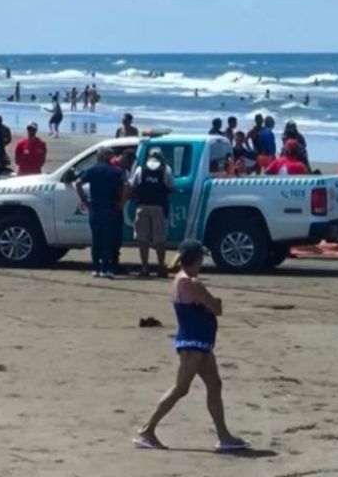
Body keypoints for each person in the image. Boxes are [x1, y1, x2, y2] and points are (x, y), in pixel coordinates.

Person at [134, 240, 247, 452]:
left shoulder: (180, 279)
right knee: (180, 389)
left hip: (200, 342)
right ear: (195, 259)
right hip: (193, 343)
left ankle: (224, 436)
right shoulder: (192, 283)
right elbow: (216, 308)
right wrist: (217, 304)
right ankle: (146, 431)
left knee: (215, 385)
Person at [75, 147, 128, 279]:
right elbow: (126, 186)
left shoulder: (93, 170)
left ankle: (96, 268)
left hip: (96, 209)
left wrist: (84, 200)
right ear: (109, 157)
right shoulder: (117, 171)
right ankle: (106, 268)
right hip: (110, 209)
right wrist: (122, 202)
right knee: (108, 240)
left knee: (96, 240)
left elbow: (78, 183)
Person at [131, 149, 174, 278]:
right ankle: (161, 267)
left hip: (142, 206)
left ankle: (144, 268)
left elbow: (133, 185)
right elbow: (171, 186)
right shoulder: (165, 170)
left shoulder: (140, 169)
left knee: (143, 239)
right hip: (159, 207)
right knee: (160, 239)